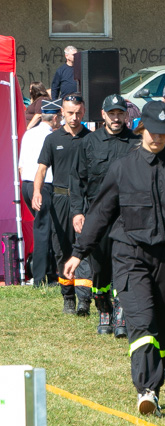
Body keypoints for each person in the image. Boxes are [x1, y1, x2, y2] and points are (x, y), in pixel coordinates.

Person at [64, 101, 165, 416]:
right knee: (141, 320)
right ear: (142, 128)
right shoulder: (122, 168)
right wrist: (79, 253)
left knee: (164, 323)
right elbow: (100, 213)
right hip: (129, 254)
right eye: (152, 131)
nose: (157, 138)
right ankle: (146, 389)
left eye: (163, 132)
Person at [71, 94, 140, 335]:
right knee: (99, 268)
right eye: (112, 114)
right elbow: (77, 181)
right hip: (97, 216)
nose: (116, 118)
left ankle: (121, 315)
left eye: (120, 113)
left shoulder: (136, 143)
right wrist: (77, 212)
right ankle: (104, 311)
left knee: (125, 265)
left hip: (127, 216)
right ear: (103, 115)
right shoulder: (88, 143)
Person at [32, 94, 91, 313]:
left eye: (78, 113)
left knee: (84, 247)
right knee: (61, 250)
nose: (74, 117)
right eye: (70, 113)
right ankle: (68, 297)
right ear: (62, 113)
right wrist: (37, 192)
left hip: (84, 201)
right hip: (59, 200)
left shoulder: (91, 138)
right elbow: (41, 168)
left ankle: (84, 299)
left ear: (83, 112)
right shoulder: (52, 139)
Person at [19, 100, 61, 286]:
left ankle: (49, 272)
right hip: (43, 185)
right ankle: (41, 277)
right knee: (44, 229)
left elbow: (21, 165)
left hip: (27, 185)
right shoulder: (51, 136)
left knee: (44, 227)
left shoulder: (29, 133)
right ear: (54, 118)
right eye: (60, 117)